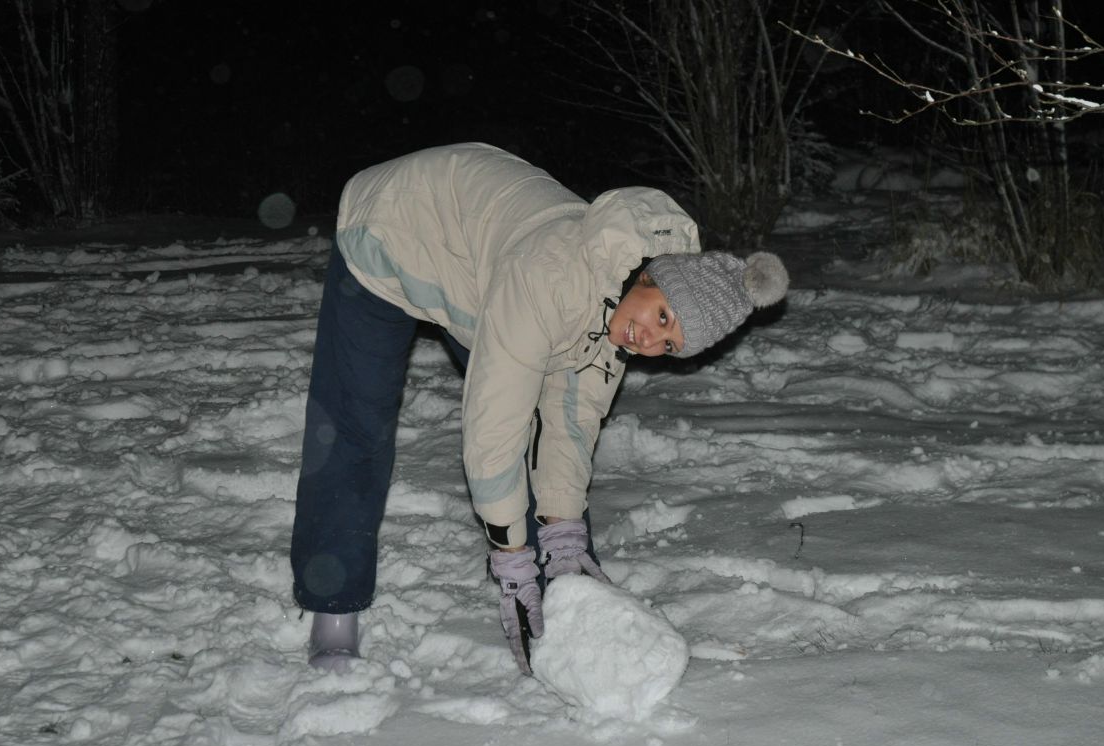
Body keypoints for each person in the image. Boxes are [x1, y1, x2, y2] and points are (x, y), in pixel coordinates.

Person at [290, 142, 788, 674]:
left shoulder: (620, 311)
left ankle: (567, 598)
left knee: (545, 439)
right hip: (390, 226)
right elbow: (493, 423)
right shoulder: (551, 276)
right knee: (356, 429)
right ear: (650, 277)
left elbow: (572, 419)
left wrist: (564, 529)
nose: (649, 341)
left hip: (480, 266)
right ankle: (332, 609)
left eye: (668, 346)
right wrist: (509, 555)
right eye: (663, 318)